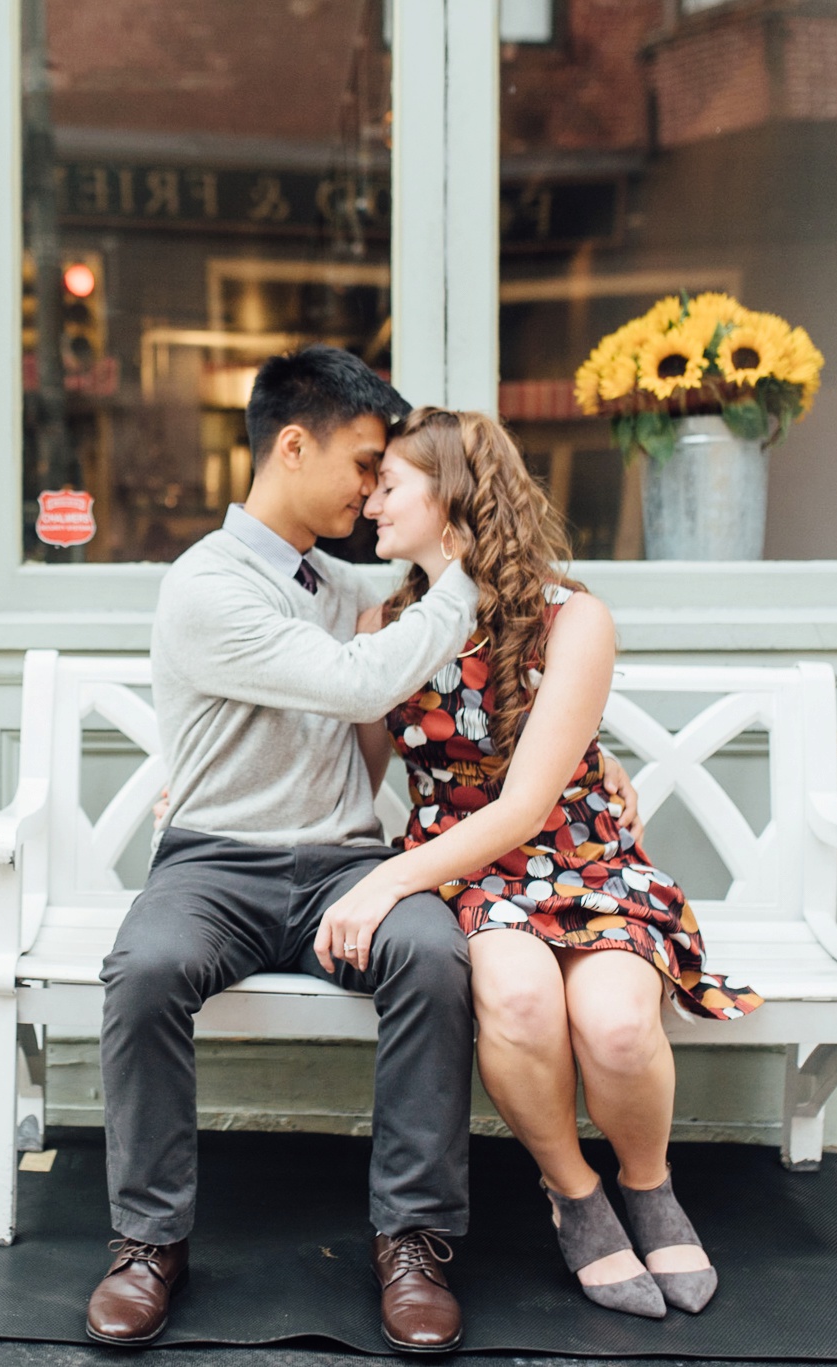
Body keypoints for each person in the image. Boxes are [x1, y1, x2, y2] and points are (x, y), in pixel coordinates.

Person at [87, 349, 640, 1352]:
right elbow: (359, 680)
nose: (369, 487)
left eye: (387, 472)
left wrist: (593, 761)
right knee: (143, 968)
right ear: (290, 446)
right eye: (360, 462)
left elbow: (507, 646)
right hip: (218, 862)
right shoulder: (205, 587)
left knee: (434, 954)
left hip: (347, 861)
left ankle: (413, 1238)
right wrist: (460, 583)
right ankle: (145, 1240)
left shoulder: (340, 580)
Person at [336, 407, 764, 1320]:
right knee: (524, 1001)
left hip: (582, 859)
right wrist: (207, 786)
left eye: (391, 485)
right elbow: (349, 773)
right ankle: (575, 1192)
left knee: (613, 1026)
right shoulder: (385, 620)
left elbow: (527, 804)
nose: (370, 500)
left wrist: (383, 881)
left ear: (450, 496)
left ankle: (646, 1183)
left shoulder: (570, 618)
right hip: (465, 871)